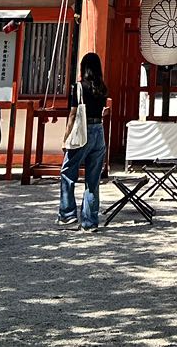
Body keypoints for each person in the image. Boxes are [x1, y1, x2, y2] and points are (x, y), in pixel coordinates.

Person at [59, 52, 109, 232]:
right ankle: (90, 222)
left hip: (82, 131)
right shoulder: (102, 88)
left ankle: (67, 213)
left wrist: (66, 138)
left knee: (67, 171)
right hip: (99, 132)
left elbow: (73, 114)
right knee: (93, 180)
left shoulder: (79, 87)